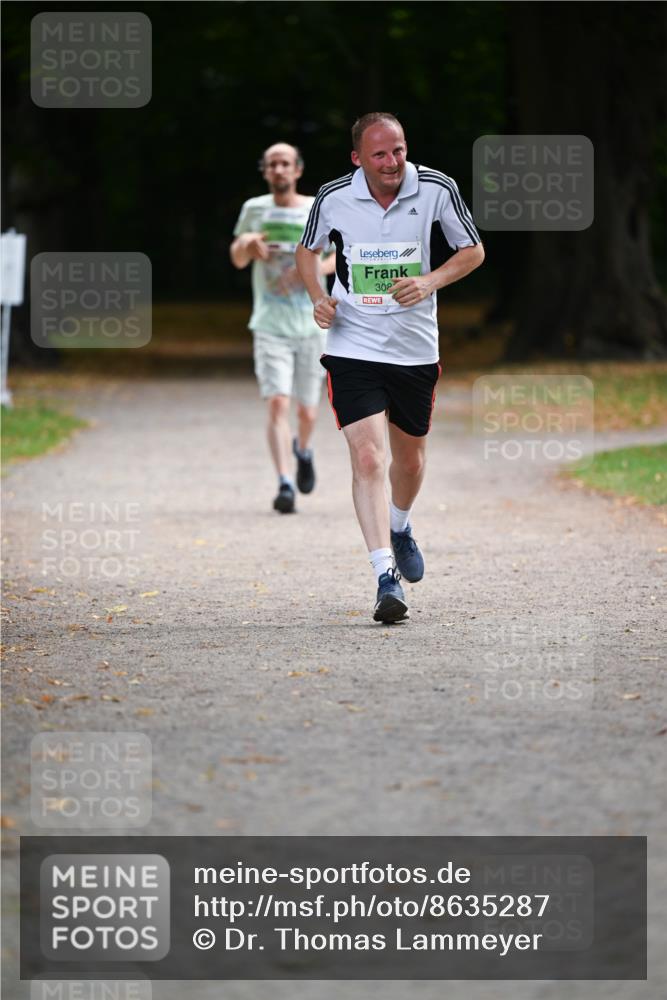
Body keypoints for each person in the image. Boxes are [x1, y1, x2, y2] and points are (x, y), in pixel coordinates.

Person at [295, 113, 484, 622]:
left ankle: (400, 526)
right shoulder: (334, 196)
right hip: (352, 344)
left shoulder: (436, 188)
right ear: (358, 158)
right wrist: (318, 297)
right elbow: (306, 251)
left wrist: (429, 281)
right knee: (369, 459)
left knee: (410, 461)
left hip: (414, 349)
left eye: (398, 150)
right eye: (379, 154)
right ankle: (385, 577)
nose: (392, 162)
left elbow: (473, 250)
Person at [231, 143, 335, 513]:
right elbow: (237, 257)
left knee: (307, 411)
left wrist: (313, 269)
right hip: (270, 323)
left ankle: (303, 450)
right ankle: (284, 482)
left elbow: (340, 253)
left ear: (298, 170)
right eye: (272, 164)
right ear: (265, 170)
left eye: (285, 163)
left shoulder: (315, 208)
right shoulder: (254, 209)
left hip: (312, 324)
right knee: (277, 402)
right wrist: (248, 244)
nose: (279, 169)